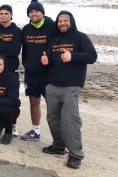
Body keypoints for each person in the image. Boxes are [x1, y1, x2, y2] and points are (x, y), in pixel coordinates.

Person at [41, 11, 97, 169]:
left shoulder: (81, 37)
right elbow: (51, 59)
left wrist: (73, 56)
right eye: (60, 21)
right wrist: (47, 60)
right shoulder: (54, 39)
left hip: (71, 87)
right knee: (52, 118)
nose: (62, 23)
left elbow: (92, 56)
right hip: (52, 86)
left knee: (70, 121)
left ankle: (75, 155)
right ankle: (59, 146)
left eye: (65, 20)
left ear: (71, 21)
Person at [20, 0, 57, 141]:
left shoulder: (52, 26)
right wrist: (26, 65)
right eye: (31, 12)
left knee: (53, 106)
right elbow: (22, 49)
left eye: (36, 11)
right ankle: (36, 132)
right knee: (34, 102)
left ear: (42, 13)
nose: (34, 14)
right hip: (31, 73)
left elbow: (60, 45)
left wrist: (51, 61)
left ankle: (59, 138)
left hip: (49, 73)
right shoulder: (26, 29)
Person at [0, 4, 22, 74]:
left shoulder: (17, 31)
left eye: (6, 13)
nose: (3, 15)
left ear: (11, 15)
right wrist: (7, 46)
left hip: (11, 67)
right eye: (1, 13)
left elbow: (15, 51)